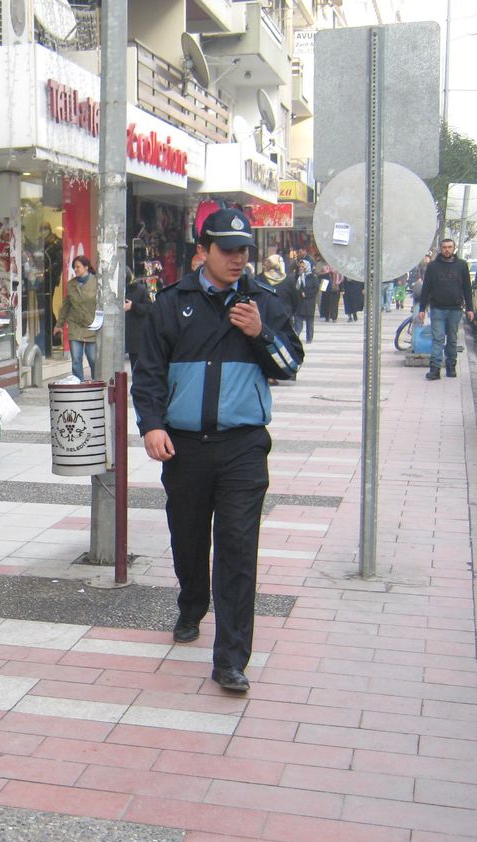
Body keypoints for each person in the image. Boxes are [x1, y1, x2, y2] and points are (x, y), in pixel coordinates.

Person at [131, 208, 303, 692]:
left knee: (237, 548)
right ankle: (192, 602)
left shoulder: (263, 303)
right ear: (202, 252)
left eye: (244, 250)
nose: (237, 259)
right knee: (187, 539)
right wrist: (151, 426)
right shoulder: (171, 303)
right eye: (227, 250)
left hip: (243, 447)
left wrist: (259, 333)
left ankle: (230, 659)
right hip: (183, 448)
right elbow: (148, 374)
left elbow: (291, 365)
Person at [417, 237, 474, 380]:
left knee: (453, 339)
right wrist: (422, 309)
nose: (447, 249)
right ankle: (435, 369)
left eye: (449, 247)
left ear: (454, 248)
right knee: (438, 338)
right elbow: (426, 288)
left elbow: (467, 288)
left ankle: (451, 366)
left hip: (455, 309)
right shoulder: (433, 266)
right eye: (444, 247)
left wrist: (470, 308)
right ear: (441, 249)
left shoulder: (461, 265)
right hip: (437, 308)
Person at [53, 254, 99, 381]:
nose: (76, 270)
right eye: (74, 267)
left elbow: (103, 305)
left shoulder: (96, 282)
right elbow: (65, 306)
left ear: (86, 267)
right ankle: (78, 383)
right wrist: (59, 325)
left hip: (91, 325)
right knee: (76, 359)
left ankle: (97, 382)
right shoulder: (71, 285)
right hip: (75, 325)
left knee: (93, 358)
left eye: (78, 267)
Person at [124, 270, 151, 372]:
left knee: (136, 364)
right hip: (119, 332)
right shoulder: (114, 290)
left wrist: (133, 306)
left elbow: (149, 307)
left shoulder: (140, 289)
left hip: (134, 333)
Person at [294, 258, 319, 344]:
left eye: (302, 266)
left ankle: (309, 338)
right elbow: (296, 288)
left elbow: (316, 288)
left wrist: (307, 294)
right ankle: (296, 335)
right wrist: (301, 292)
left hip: (309, 303)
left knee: (309, 321)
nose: (301, 268)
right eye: (300, 266)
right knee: (298, 321)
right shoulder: (298, 277)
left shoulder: (312, 277)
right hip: (300, 303)